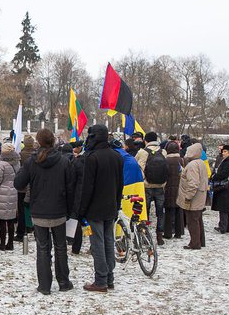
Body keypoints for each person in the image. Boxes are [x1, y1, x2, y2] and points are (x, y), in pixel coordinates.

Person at [15, 128, 75, 294]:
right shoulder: (63, 161)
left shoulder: (33, 161)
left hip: (40, 210)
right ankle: (63, 282)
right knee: (60, 247)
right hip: (58, 210)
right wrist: (69, 210)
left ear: (39, 142)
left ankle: (44, 285)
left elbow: (18, 183)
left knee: (43, 248)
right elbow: (71, 188)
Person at [77, 125, 123, 292]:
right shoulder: (117, 156)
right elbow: (120, 185)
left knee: (98, 244)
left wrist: (81, 210)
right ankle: (109, 278)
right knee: (108, 242)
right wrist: (117, 204)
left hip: (95, 208)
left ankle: (101, 280)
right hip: (110, 206)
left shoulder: (92, 157)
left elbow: (87, 187)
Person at [134, 131, 168, 245]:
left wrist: (143, 180)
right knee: (160, 212)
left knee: (145, 211)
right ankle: (159, 235)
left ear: (146, 141)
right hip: (160, 186)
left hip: (147, 186)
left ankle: (145, 235)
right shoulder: (163, 152)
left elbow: (138, 167)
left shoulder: (142, 152)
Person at [177, 143, 209, 250]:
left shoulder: (192, 165)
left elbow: (193, 183)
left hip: (194, 197)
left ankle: (195, 243)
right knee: (198, 219)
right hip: (200, 195)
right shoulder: (201, 163)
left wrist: (188, 197)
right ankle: (200, 241)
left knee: (192, 221)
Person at [0, 143, 20, 251]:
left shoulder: (1, 163)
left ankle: (2, 244)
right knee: (11, 219)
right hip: (13, 191)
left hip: (2, 192)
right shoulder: (17, 162)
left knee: (2, 220)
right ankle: (10, 243)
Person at [211, 144, 229, 234]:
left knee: (223, 208)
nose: (223, 153)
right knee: (227, 208)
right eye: (223, 151)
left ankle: (223, 227)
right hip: (228, 187)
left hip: (225, 187)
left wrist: (214, 176)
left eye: (225, 151)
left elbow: (224, 174)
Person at [15, 134, 36, 242]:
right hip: (34, 186)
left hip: (23, 187)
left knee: (22, 210)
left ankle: (21, 232)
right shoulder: (37, 155)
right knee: (34, 210)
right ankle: (34, 230)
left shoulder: (21, 155)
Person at [163, 141, 184, 239]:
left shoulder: (166, 160)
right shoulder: (181, 160)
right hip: (180, 188)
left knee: (168, 211)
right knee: (179, 211)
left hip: (168, 188)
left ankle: (168, 233)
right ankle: (179, 232)